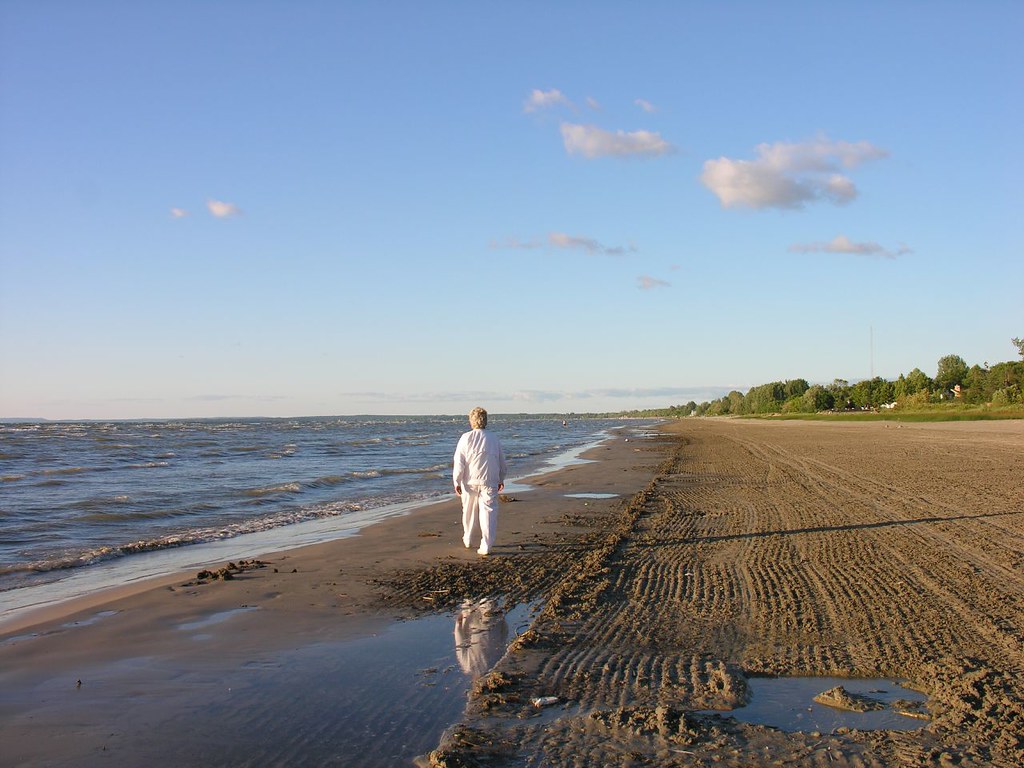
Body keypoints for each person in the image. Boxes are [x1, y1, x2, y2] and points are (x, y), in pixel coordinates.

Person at [453, 407, 507, 556]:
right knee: (488, 511)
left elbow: (459, 462)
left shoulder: (465, 438)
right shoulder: (493, 438)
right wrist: (501, 477)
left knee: (468, 510)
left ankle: (468, 536)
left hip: (470, 480)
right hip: (489, 479)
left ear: (471, 421)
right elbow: (502, 461)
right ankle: (486, 544)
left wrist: (456, 481)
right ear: (485, 421)